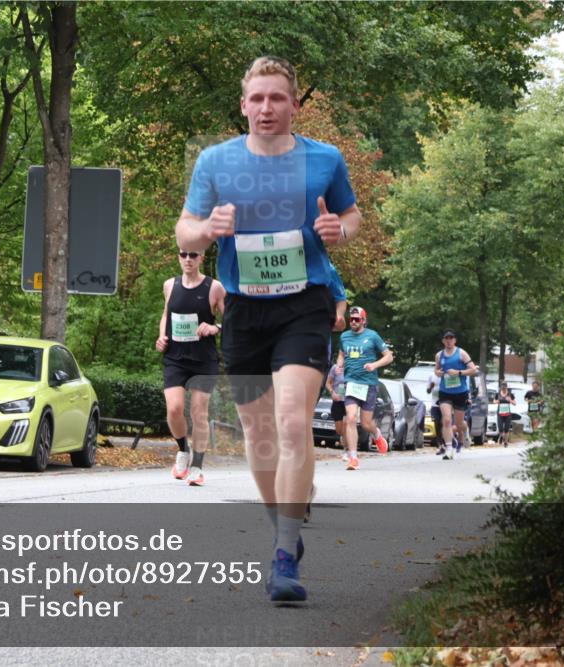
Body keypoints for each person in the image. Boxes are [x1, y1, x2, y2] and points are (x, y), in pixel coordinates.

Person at [176, 55, 362, 603]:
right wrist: (207, 230)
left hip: (305, 305)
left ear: (294, 104)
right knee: (259, 436)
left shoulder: (324, 159)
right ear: (243, 105)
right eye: (256, 98)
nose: (266, 107)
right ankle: (283, 525)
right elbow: (184, 229)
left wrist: (340, 230)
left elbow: (352, 216)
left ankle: (284, 554)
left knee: (292, 419)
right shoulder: (216, 161)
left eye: (277, 97)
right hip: (245, 309)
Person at [155, 248, 226, 486]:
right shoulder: (169, 285)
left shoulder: (214, 288)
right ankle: (183, 450)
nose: (187, 259)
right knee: (174, 409)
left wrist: (215, 328)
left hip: (203, 360)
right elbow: (166, 315)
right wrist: (161, 336)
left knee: (198, 412)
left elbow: (232, 319)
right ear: (178, 257)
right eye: (183, 254)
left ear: (201, 259)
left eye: (193, 255)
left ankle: (197, 467)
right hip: (175, 358)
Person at [337, 306, 394, 470]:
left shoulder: (372, 336)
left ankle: (376, 434)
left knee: (366, 423)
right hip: (351, 383)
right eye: (351, 319)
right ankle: (353, 458)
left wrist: (374, 365)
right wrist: (340, 364)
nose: (353, 322)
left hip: (368, 383)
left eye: (357, 319)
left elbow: (389, 356)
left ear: (363, 321)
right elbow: (341, 354)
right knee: (350, 418)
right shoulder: (344, 336)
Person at [434, 330, 479, 461]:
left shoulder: (461, 353)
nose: (449, 341)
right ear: (443, 341)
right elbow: (436, 370)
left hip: (460, 392)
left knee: (459, 423)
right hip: (445, 392)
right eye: (446, 339)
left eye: (451, 338)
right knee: (447, 420)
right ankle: (449, 448)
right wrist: (438, 373)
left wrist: (458, 372)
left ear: (455, 340)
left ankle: (465, 430)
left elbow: (473, 370)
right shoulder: (439, 355)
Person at [325, 356, 347, 461]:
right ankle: (345, 439)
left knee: (348, 425)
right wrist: (332, 392)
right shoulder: (335, 368)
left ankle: (347, 450)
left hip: (350, 401)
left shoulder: (355, 368)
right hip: (338, 400)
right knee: (339, 430)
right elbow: (328, 383)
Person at [496, 382, 517, 447]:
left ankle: (505, 442)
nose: (503, 389)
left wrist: (510, 400)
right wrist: (496, 401)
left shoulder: (510, 394)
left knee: (506, 429)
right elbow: (494, 400)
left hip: (507, 414)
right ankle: (502, 437)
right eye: (502, 388)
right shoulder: (498, 394)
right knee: (500, 428)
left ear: (506, 387)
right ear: (501, 388)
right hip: (500, 413)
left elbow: (515, 403)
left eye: (504, 388)